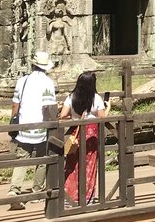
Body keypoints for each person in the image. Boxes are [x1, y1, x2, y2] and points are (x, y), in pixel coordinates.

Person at [7, 50, 57, 210]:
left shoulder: (23, 80)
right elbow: (49, 107)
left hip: (23, 124)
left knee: (22, 159)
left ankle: (14, 190)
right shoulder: (48, 82)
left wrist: (14, 120)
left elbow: (15, 104)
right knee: (41, 160)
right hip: (40, 125)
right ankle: (37, 190)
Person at [59, 71, 108, 207]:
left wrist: (74, 117)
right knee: (89, 166)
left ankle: (68, 197)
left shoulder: (71, 97)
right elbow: (102, 117)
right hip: (91, 134)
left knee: (72, 164)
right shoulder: (96, 98)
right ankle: (86, 198)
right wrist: (107, 108)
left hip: (76, 132)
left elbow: (63, 115)